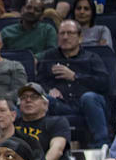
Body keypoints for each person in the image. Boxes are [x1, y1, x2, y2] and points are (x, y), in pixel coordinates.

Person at [37, 20, 110, 148]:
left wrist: (75, 76)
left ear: (80, 37)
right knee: (42, 99)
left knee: (89, 98)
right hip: (61, 104)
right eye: (62, 33)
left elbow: (104, 83)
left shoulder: (91, 57)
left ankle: (101, 147)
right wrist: (48, 90)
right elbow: (39, 81)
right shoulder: (49, 57)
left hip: (86, 105)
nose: (65, 37)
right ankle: (39, 145)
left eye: (70, 33)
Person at [15, 82, 71, 160]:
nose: (28, 100)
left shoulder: (57, 122)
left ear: (45, 103)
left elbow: (57, 149)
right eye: (24, 97)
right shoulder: (13, 124)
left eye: (34, 97)